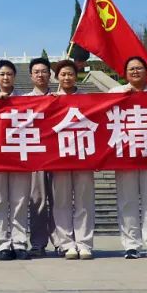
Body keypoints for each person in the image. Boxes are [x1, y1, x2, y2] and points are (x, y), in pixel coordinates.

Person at [107, 56, 147, 259]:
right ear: (125, 74)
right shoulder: (115, 93)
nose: (135, 72)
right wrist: (123, 97)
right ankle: (131, 244)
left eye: (139, 68)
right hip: (125, 156)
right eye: (131, 69)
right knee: (127, 201)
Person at [0, 60, 30, 260]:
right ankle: (1, 244)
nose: (5, 77)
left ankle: (19, 243)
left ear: (14, 76)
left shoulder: (27, 99)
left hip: (20, 156)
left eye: (9, 74)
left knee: (20, 201)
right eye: (2, 74)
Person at [50, 60, 95, 260]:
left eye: (70, 74)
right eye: (63, 74)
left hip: (84, 157)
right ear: (57, 77)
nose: (67, 77)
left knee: (84, 201)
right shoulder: (50, 100)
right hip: (59, 158)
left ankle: (84, 243)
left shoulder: (88, 99)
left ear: (76, 76)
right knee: (61, 202)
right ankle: (66, 243)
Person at [25, 57, 54, 257]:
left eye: (44, 71)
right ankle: (38, 242)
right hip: (35, 155)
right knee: (37, 200)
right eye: (36, 72)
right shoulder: (23, 100)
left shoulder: (59, 98)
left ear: (50, 74)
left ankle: (61, 242)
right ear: (31, 76)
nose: (40, 75)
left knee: (60, 201)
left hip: (59, 155)